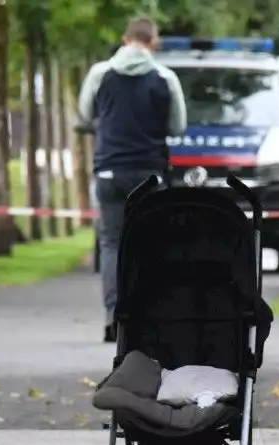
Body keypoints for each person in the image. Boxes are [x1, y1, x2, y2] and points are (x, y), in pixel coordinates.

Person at [77, 16, 187, 342]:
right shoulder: (165, 78)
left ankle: (113, 317)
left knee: (111, 243)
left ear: (126, 39)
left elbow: (85, 114)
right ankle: (144, 318)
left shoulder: (100, 74)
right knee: (149, 245)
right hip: (150, 174)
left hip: (109, 171)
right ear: (153, 42)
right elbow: (178, 126)